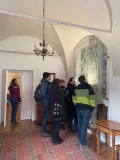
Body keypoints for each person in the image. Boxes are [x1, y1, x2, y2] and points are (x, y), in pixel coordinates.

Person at [72, 75, 95, 148]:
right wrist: (91, 108)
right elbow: (92, 99)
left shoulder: (77, 87)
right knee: (84, 125)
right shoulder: (89, 87)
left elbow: (73, 97)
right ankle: (82, 143)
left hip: (78, 108)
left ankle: (80, 139)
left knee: (79, 123)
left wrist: (76, 104)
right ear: (84, 79)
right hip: (86, 109)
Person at [49, 79, 66, 145]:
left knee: (53, 124)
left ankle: (54, 137)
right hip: (58, 109)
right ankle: (55, 140)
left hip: (52, 108)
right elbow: (61, 101)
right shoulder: (59, 89)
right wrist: (64, 110)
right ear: (58, 83)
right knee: (58, 124)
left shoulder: (50, 88)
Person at [40, 72, 51, 137]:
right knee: (44, 116)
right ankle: (43, 132)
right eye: (50, 76)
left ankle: (44, 129)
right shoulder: (44, 83)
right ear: (47, 77)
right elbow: (43, 94)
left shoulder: (45, 83)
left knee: (45, 116)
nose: (50, 77)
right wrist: (51, 97)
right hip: (45, 102)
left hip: (46, 101)